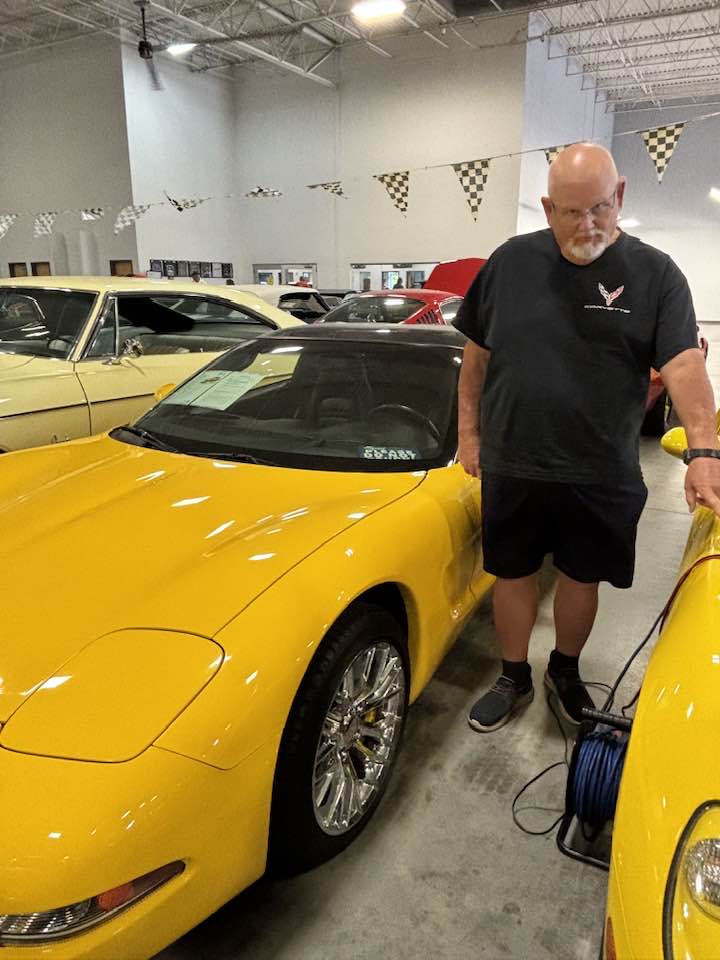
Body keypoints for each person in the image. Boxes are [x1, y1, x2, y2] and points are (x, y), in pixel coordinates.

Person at [455, 142, 720, 733]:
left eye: (600, 207)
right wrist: (469, 435)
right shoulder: (508, 264)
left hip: (601, 468)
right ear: (548, 208)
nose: (588, 225)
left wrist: (704, 451)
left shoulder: (656, 275)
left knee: (582, 577)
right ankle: (513, 675)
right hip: (514, 461)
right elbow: (475, 362)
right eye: (572, 213)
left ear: (619, 195)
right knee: (511, 574)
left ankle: (565, 671)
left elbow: (683, 365)